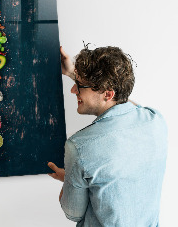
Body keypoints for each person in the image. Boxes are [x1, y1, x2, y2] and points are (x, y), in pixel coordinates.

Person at [48, 45, 167, 226]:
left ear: (108, 93)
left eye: (80, 85)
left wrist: (71, 180)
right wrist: (73, 72)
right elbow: (124, 102)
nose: (73, 90)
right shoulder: (155, 120)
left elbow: (73, 213)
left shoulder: (79, 146)